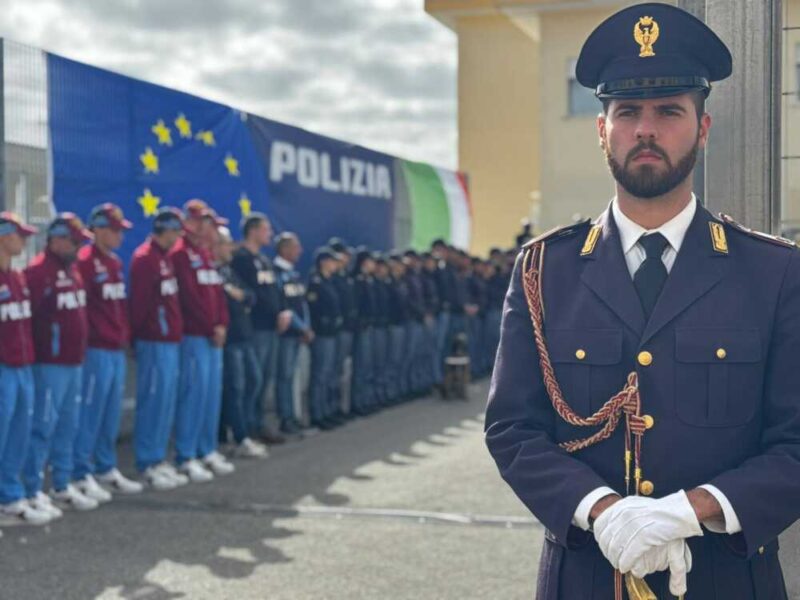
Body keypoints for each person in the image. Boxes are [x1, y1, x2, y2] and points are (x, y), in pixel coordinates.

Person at [485, 4, 800, 598]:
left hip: (726, 579)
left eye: (669, 111)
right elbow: (512, 429)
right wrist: (601, 509)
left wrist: (691, 510)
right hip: (587, 575)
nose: (645, 130)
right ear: (602, 130)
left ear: (702, 128)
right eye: (627, 112)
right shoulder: (545, 271)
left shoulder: (774, 272)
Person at [23, 214, 94, 513]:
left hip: (73, 361)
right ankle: (31, 488)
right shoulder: (38, 272)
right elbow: (29, 319)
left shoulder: (72, 269)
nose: (79, 248)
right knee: (42, 426)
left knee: (68, 425)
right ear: (57, 240)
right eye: (75, 242)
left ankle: (61, 485)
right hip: (49, 364)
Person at [72, 204, 143, 502]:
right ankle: (80, 472)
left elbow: (118, 307)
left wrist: (124, 336)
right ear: (98, 230)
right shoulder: (84, 262)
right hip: (95, 350)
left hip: (115, 349)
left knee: (110, 413)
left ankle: (105, 467)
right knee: (91, 413)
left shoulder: (114, 262)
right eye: (114, 230)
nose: (119, 236)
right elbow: (81, 310)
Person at [170, 199, 233, 482]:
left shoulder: (205, 255)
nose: (210, 230)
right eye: (206, 223)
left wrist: (222, 324)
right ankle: (186, 454)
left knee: (210, 395)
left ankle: (206, 449)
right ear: (191, 224)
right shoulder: (181, 254)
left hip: (212, 338)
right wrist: (210, 327)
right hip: (194, 336)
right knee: (192, 396)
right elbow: (189, 299)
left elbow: (217, 296)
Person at [129, 207, 188, 490]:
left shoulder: (165, 258)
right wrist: (141, 335)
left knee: (165, 402)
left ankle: (157, 457)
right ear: (166, 230)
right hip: (153, 341)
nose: (179, 238)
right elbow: (139, 305)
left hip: (169, 341)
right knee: (152, 402)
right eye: (176, 232)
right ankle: (146, 462)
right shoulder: (145, 259)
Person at [0, 213, 52, 526]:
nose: (25, 241)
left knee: (19, 435)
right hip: (4, 369)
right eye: (20, 235)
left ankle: (10, 496)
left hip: (23, 367)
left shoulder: (17, 277)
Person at [231, 213, 290, 445]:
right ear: (253, 231)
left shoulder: (265, 260)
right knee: (252, 381)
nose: (270, 234)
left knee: (265, 379)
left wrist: (282, 311)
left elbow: (275, 291)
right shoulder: (241, 259)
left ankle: (258, 423)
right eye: (266, 230)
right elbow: (250, 294)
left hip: (272, 327)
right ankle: (247, 427)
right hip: (255, 328)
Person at [216, 226, 268, 459]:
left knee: (254, 380)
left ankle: (242, 429)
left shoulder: (229, 270)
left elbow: (250, 296)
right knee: (234, 387)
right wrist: (238, 297)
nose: (231, 248)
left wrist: (240, 296)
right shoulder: (214, 272)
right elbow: (225, 301)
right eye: (227, 244)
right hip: (231, 338)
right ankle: (237, 437)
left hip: (245, 336)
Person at [273, 232, 313, 435]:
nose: (300, 251)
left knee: (292, 377)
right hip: (286, 334)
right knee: (284, 376)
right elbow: (284, 306)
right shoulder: (276, 272)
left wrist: (306, 326)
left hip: (297, 333)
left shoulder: (294, 274)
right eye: (296, 247)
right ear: (284, 249)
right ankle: (286, 418)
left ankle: (293, 416)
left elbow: (301, 304)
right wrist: (301, 327)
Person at [306, 248, 343, 430]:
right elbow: (313, 309)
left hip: (332, 333)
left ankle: (327, 410)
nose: (335, 264)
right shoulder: (316, 283)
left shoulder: (330, 281)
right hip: (322, 334)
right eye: (332, 261)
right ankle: (317, 413)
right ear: (323, 262)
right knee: (320, 374)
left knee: (328, 373)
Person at [328, 240, 357, 419]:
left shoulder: (346, 276)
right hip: (336, 330)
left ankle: (338, 407)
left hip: (348, 328)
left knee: (340, 370)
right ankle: (329, 409)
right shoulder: (331, 278)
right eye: (344, 255)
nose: (347, 259)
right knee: (332, 370)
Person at [351, 248, 377, 416]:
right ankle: (357, 402)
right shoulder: (357, 281)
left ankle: (366, 400)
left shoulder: (368, 280)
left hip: (369, 327)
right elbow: (357, 306)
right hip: (361, 328)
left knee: (367, 366)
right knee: (360, 366)